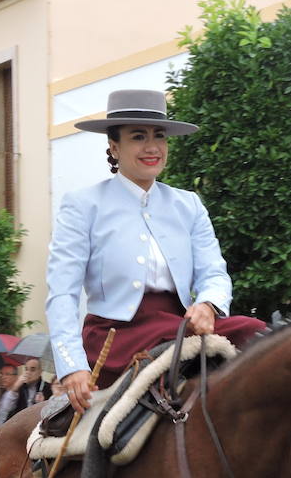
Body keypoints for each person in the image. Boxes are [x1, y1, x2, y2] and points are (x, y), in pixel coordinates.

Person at [46, 88, 267, 415]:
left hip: (180, 325)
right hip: (115, 336)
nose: (152, 147)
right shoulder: (83, 205)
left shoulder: (188, 204)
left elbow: (214, 273)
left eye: (159, 136)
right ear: (114, 146)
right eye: (138, 137)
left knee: (257, 333)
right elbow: (61, 293)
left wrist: (207, 304)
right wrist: (71, 366)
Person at [0, 363, 21, 427]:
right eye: (1, 374)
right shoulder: (3, 393)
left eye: (7, 374)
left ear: (16, 377)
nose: (3, 377)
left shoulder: (19, 395)